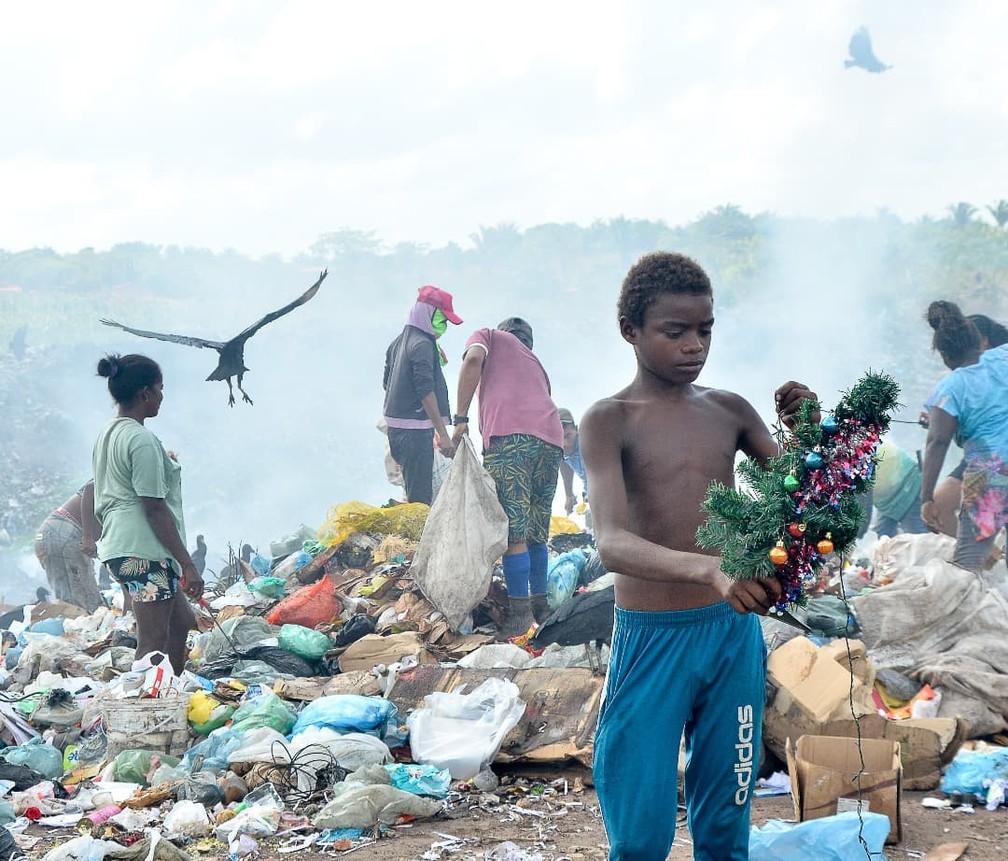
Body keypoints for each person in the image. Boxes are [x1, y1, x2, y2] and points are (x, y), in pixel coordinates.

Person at [580, 252, 817, 861]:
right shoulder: (609, 420)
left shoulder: (729, 410)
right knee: (639, 832)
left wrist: (808, 434)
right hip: (652, 639)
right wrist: (708, 569)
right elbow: (610, 541)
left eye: (705, 330)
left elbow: (798, 499)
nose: (695, 346)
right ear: (630, 330)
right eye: (675, 331)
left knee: (724, 821)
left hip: (730, 635)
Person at [452, 317, 564, 636]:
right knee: (536, 530)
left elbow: (473, 359)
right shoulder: (537, 365)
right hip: (551, 440)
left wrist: (460, 419)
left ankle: (519, 616)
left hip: (512, 439)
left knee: (513, 530)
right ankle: (541, 607)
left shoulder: (489, 335)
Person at [93, 353, 203, 674]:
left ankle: (170, 689)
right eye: (160, 389)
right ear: (144, 393)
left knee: (182, 621)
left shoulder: (110, 433)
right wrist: (187, 563)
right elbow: (154, 508)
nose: (161, 397)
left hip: (123, 546)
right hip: (143, 551)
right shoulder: (141, 439)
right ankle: (142, 710)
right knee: (153, 639)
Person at [920, 302, 1008, 572]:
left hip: (989, 477)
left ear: (945, 355)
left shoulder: (950, 388)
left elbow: (938, 442)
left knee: (967, 567)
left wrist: (926, 499)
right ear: (976, 339)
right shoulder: (1004, 356)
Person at [382, 286, 462, 505]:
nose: (444, 327)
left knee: (413, 492)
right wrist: (443, 434)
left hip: (397, 431)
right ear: (429, 314)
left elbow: (386, 384)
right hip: (414, 435)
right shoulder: (423, 345)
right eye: (443, 320)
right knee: (421, 502)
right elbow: (425, 390)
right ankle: (418, 538)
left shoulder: (397, 343)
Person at [33, 480, 104, 611]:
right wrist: (87, 537)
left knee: (78, 601)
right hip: (63, 533)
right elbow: (90, 488)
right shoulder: (117, 473)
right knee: (82, 606)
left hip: (56, 532)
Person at [860, 441, 928, 537]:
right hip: (886, 502)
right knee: (884, 537)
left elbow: (863, 501)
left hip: (909, 489)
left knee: (917, 538)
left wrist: (859, 531)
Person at [557, 408, 588, 515]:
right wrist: (569, 495)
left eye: (568, 436)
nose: (565, 443)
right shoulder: (560, 451)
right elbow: (564, 462)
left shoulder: (587, 443)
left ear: (576, 430)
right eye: (559, 438)